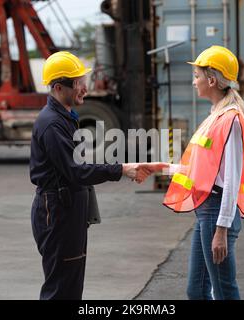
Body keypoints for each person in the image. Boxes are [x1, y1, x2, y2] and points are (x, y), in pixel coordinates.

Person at [29, 51, 166, 300]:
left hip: (67, 210)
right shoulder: (51, 124)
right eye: (79, 83)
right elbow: (76, 171)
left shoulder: (65, 117)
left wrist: (124, 166)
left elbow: (78, 165)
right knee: (61, 289)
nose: (85, 88)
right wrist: (122, 169)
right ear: (60, 87)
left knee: (70, 286)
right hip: (58, 213)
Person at [163, 45, 244, 300]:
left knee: (224, 290)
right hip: (206, 212)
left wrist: (221, 230)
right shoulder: (215, 116)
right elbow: (200, 169)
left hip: (217, 215)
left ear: (212, 79)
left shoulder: (231, 120)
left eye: (197, 76)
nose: (194, 82)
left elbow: (231, 181)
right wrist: (157, 168)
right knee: (196, 291)